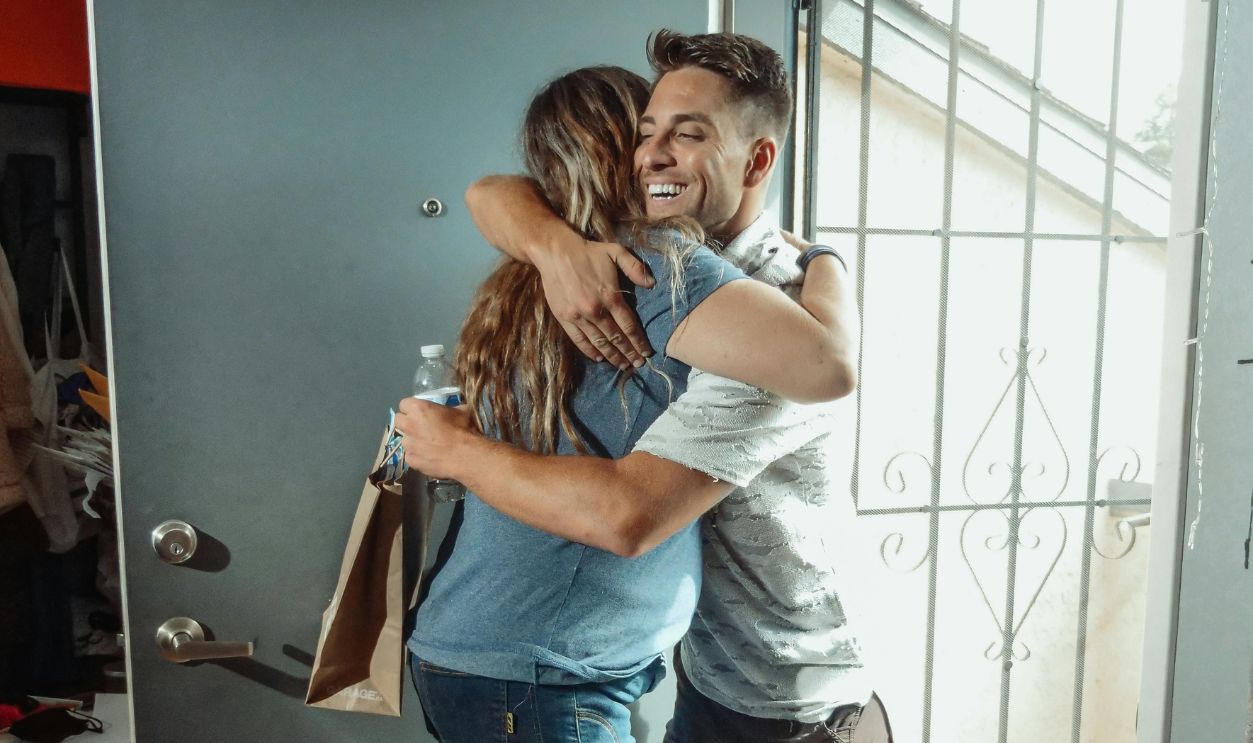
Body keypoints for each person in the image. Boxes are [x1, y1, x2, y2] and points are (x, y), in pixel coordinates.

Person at [400, 31, 893, 743]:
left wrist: (825, 261)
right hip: (689, 679)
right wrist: (550, 241)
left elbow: (630, 512)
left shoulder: (747, 314)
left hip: (786, 703)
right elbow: (488, 192)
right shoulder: (614, 265)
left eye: (687, 134)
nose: (653, 154)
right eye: (644, 132)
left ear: (755, 159)